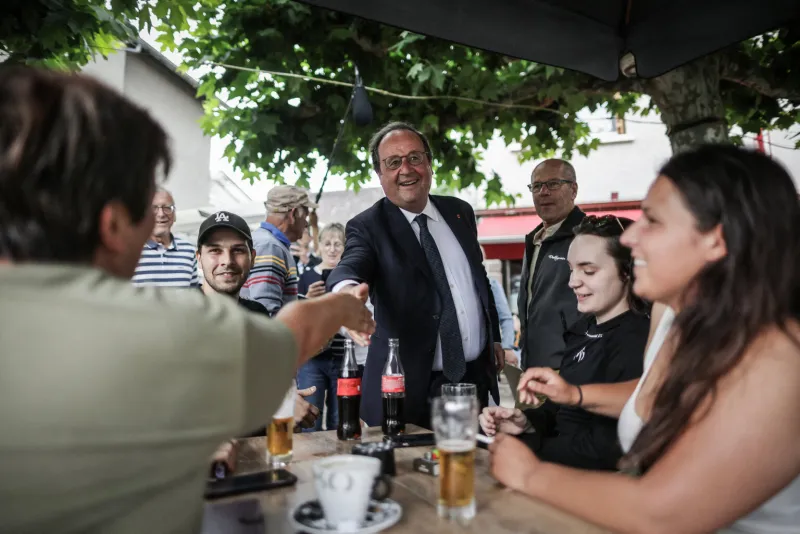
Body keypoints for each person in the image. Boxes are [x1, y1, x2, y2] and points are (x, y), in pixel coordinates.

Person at [0, 67, 375, 533]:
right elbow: (294, 333)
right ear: (114, 224)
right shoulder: (169, 328)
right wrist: (343, 306)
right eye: (145, 208)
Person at [489, 145, 800, 534]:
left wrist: (530, 474)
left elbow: (665, 513)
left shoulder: (781, 358)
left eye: (652, 221)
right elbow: (661, 397)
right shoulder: (671, 314)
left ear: (716, 242)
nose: (631, 236)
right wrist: (576, 395)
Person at [328, 121, 504, 428]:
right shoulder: (368, 227)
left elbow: (479, 284)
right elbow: (350, 266)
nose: (406, 170)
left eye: (414, 158)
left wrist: (495, 340)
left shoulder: (459, 212)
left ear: (430, 164)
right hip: (405, 392)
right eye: (393, 163)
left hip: (472, 384)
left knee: (473, 471)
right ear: (380, 174)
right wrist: (346, 296)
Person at [480, 215, 648, 470]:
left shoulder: (637, 341)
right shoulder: (582, 330)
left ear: (628, 270)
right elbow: (562, 412)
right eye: (571, 269)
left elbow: (609, 448)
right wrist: (526, 422)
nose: (572, 281)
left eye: (588, 271)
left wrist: (529, 451)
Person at [194, 210, 320, 468]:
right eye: (215, 251)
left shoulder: (258, 314)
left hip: (259, 458)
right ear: (199, 258)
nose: (227, 261)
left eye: (237, 250)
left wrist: (290, 400)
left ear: (252, 258)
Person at [517, 159, 586, 369]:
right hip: (535, 369)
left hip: (572, 371)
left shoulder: (588, 237)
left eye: (553, 184)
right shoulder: (535, 240)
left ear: (573, 190)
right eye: (536, 186)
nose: (543, 192)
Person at [296, 223, 348, 431]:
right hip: (312, 358)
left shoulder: (349, 277)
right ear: (319, 247)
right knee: (310, 417)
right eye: (327, 244)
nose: (332, 249)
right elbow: (296, 315)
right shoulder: (306, 276)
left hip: (343, 355)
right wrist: (307, 299)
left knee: (341, 419)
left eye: (338, 244)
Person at [240, 184, 317, 315]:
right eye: (305, 216)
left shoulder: (267, 242)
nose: (306, 224)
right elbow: (266, 311)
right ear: (293, 215)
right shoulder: (270, 247)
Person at [131, 186, 200, 288]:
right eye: (154, 208)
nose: (161, 214)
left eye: (167, 208)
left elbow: (193, 294)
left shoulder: (188, 251)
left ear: (174, 214)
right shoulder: (132, 251)